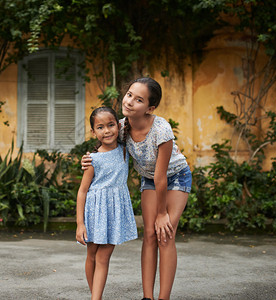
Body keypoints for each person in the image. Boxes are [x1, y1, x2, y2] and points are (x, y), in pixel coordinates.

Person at [81, 77, 191, 300]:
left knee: (165, 234)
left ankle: (163, 298)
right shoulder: (120, 127)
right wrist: (87, 160)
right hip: (150, 181)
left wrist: (162, 214)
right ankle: (147, 297)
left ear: (150, 108)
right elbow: (105, 144)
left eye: (138, 99)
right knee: (149, 235)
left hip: (176, 178)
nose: (129, 101)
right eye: (129, 94)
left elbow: (162, 178)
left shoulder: (162, 131)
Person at [76, 106, 138, 300]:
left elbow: (136, 125)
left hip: (115, 212)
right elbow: (82, 191)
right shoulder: (92, 160)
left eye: (111, 125)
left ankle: (96, 298)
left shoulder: (125, 149)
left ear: (118, 126)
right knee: (92, 255)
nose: (107, 131)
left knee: (103, 256)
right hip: (95, 211)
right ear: (93, 132)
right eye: (100, 127)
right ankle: (95, 295)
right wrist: (80, 224)